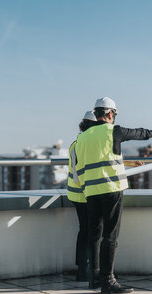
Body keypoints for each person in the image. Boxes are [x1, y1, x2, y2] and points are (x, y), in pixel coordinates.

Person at [75, 97, 152, 294]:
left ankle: (95, 278)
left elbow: (78, 166)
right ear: (109, 114)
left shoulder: (82, 137)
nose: (114, 117)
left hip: (91, 191)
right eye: (114, 114)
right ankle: (108, 280)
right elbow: (137, 133)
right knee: (110, 236)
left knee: (95, 235)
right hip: (111, 189)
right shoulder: (113, 131)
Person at [67, 110, 97, 281]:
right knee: (89, 232)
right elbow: (81, 174)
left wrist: (129, 162)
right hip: (84, 194)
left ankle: (83, 269)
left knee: (85, 231)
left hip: (77, 194)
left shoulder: (77, 143)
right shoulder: (83, 144)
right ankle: (85, 270)